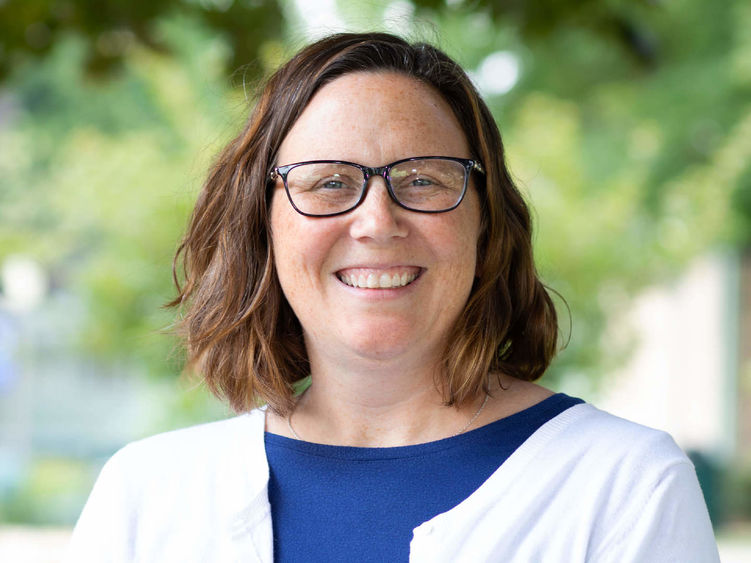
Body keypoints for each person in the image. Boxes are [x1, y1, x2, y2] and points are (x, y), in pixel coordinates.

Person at [66, 32, 720, 562]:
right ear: (261, 225)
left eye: (422, 179)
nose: (376, 221)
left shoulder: (620, 484)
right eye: (327, 183)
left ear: (485, 220)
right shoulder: (147, 495)